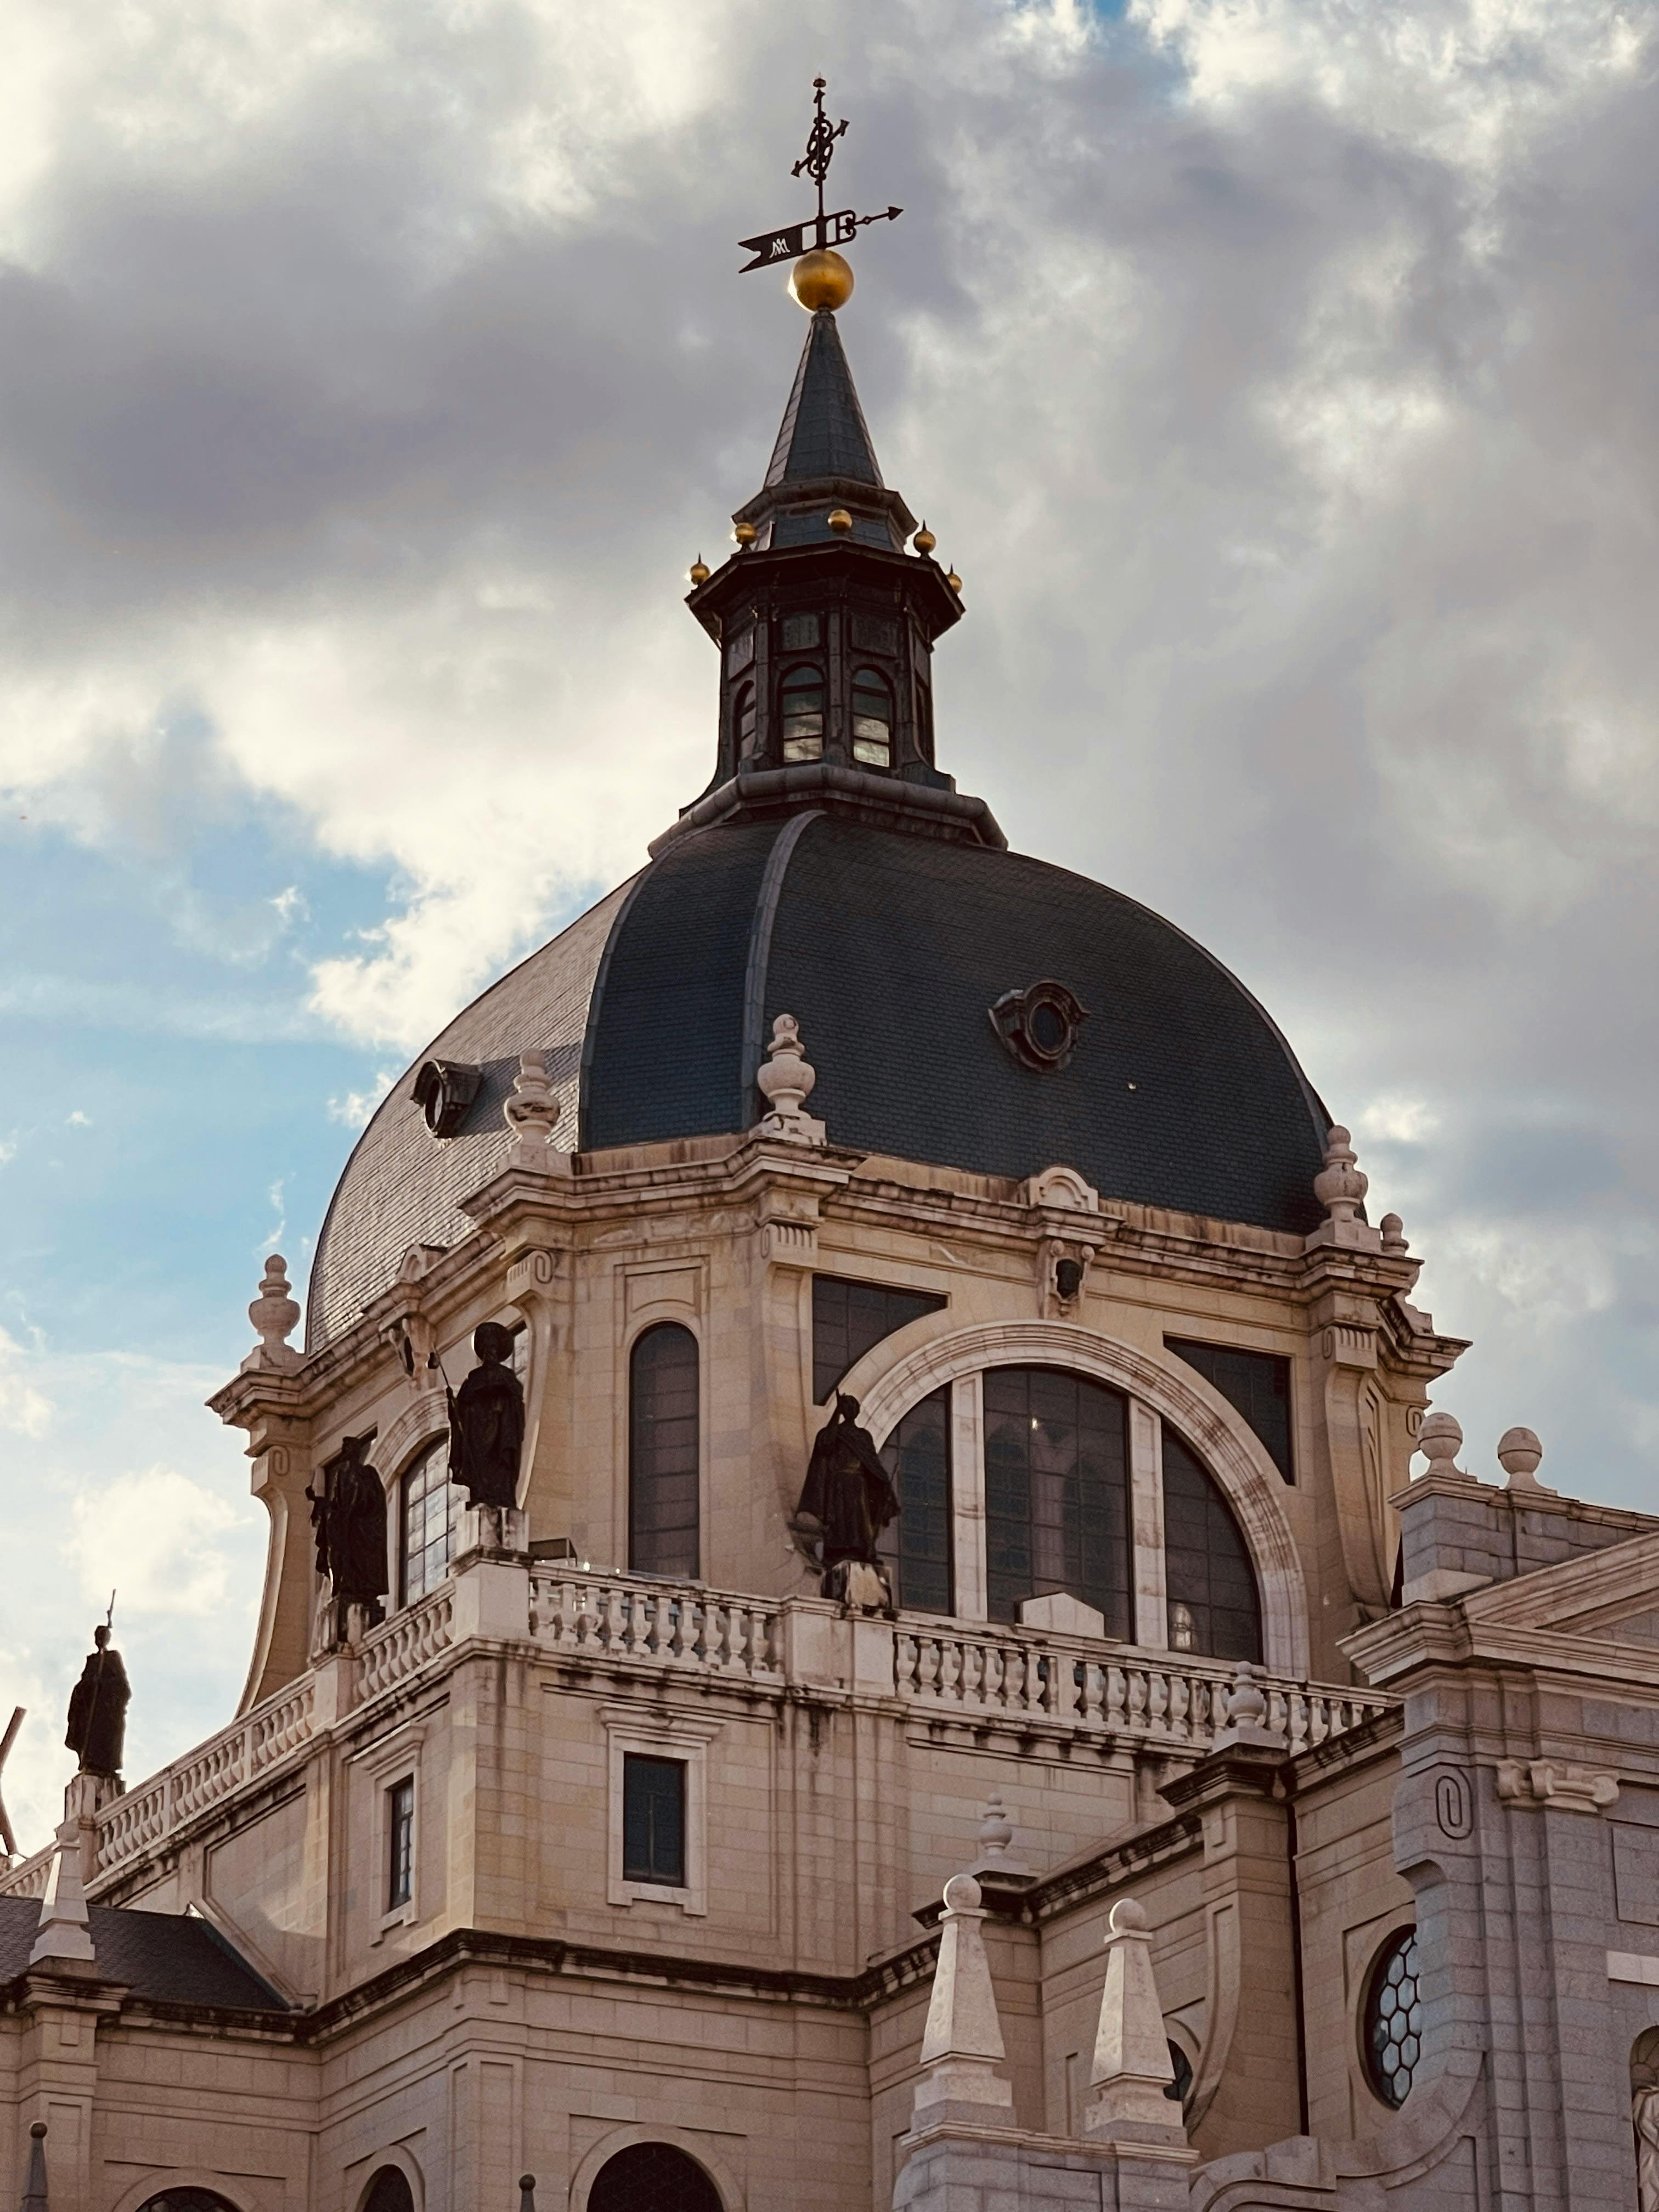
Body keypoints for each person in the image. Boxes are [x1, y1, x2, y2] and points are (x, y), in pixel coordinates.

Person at [794, 1393, 900, 1597]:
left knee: (859, 1522)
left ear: (857, 1411)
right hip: (839, 1484)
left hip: (858, 1483)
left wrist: (883, 1484)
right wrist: (835, 1415)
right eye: (846, 1406)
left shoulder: (863, 1435)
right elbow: (824, 1444)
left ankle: (861, 1551)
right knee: (841, 1520)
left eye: (853, 1406)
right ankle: (840, 1551)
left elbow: (871, 1462)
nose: (850, 1409)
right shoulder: (834, 1433)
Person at [448, 1323, 526, 1510]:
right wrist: (454, 1406)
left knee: (500, 1466)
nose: (489, 1350)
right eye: (486, 1346)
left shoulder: (506, 1375)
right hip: (477, 1431)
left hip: (501, 1428)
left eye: (493, 1346)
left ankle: (502, 1496)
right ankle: (481, 1494)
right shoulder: (473, 1379)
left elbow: (516, 1396)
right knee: (480, 1467)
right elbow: (461, 1411)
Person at [65, 1625, 130, 1778]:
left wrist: (103, 1684)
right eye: (98, 1636)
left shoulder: (113, 1658)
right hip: (91, 1711)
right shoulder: (92, 1660)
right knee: (88, 1737)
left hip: (106, 1710)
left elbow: (122, 1687)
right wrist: (88, 1685)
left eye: (103, 1636)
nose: (100, 1639)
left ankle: (104, 1767)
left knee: (103, 1739)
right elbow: (83, 1684)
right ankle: (89, 1761)